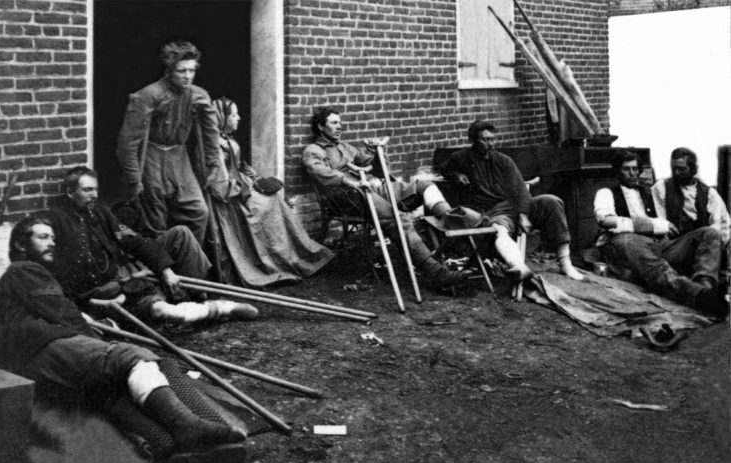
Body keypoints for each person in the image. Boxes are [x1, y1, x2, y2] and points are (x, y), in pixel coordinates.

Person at [0, 216, 246, 460]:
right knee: (128, 357)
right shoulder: (24, 269)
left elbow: (67, 307)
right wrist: (103, 345)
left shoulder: (32, 274)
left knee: (137, 372)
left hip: (36, 354)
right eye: (43, 237)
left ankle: (171, 444)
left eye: (53, 238)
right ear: (21, 244)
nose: (52, 243)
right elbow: (63, 313)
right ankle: (187, 427)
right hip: (38, 347)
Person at [42, 166, 258, 324]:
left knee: (181, 233)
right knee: (156, 307)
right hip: (107, 285)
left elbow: (132, 240)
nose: (94, 195)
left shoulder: (100, 212)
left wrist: (164, 268)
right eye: (87, 190)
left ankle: (201, 294)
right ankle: (196, 306)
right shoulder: (56, 221)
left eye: (95, 189)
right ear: (70, 193)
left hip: (123, 268)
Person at [303, 107, 478, 288]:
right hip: (349, 199)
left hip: (371, 189)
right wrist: (348, 181)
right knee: (398, 218)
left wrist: (377, 153)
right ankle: (437, 273)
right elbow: (318, 171)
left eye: (340, 123)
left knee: (424, 185)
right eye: (334, 123)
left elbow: (377, 169)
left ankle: (450, 219)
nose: (339, 127)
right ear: (321, 127)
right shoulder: (313, 150)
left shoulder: (345, 147)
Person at [209, 97, 334, 287]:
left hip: (241, 186)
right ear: (221, 118)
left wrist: (256, 178)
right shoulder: (214, 144)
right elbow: (220, 182)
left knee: (274, 198)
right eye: (233, 115)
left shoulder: (227, 138)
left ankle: (297, 256)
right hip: (230, 197)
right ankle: (275, 260)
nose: (239, 118)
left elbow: (240, 165)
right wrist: (244, 189)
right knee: (266, 206)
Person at [440, 121, 583, 282]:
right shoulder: (460, 158)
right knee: (499, 228)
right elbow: (444, 169)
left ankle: (565, 262)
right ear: (473, 140)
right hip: (491, 212)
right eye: (485, 140)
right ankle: (519, 267)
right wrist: (456, 175)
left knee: (552, 201)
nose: (491, 144)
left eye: (493, 139)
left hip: (514, 205)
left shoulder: (503, 160)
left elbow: (519, 189)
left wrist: (523, 214)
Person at [593, 150, 726, 319]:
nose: (632, 173)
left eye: (635, 168)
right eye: (627, 169)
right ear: (617, 171)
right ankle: (694, 293)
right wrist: (652, 224)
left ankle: (705, 290)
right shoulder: (606, 193)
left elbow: (669, 217)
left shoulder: (650, 193)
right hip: (625, 244)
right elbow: (606, 221)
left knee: (710, 233)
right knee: (631, 243)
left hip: (656, 245)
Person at [116, 40, 221, 243]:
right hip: (151, 155)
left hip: (178, 156)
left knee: (198, 211)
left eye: (191, 70)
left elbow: (211, 133)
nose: (188, 76)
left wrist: (213, 165)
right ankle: (162, 267)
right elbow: (127, 142)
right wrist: (133, 178)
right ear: (169, 70)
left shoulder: (199, 95)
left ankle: (187, 259)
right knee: (156, 218)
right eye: (182, 71)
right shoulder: (148, 95)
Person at [651, 147, 730, 245]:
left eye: (681, 169)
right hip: (673, 244)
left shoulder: (709, 193)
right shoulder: (661, 187)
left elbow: (721, 224)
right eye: (674, 168)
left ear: (694, 170)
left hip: (702, 243)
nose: (676, 173)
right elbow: (660, 220)